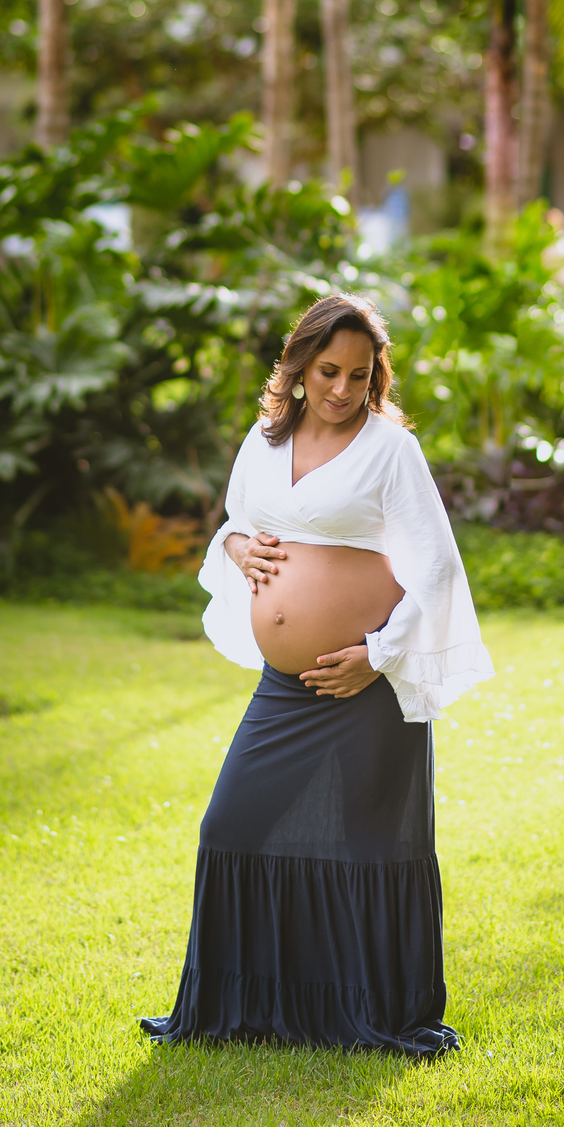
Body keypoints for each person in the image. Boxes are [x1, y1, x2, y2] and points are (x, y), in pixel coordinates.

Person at [140, 293, 494, 1057]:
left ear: (376, 377)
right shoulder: (265, 440)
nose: (342, 388)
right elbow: (238, 524)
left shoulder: (390, 449)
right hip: (286, 688)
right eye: (329, 370)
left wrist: (379, 655)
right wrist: (236, 547)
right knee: (231, 825)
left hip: (366, 686)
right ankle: (242, 1005)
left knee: (367, 847)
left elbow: (436, 566)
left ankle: (372, 1012)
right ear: (299, 366)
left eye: (359, 374)